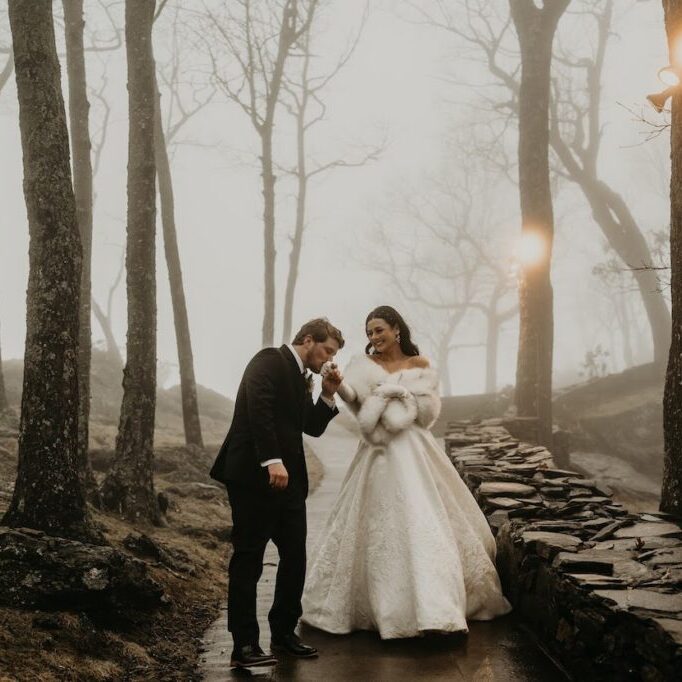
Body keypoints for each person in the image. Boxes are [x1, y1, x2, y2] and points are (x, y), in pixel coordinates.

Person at [301, 306, 511, 639]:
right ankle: (386, 607)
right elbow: (355, 402)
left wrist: (398, 398)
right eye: (370, 332)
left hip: (414, 448)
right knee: (379, 524)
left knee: (424, 517)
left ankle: (437, 607)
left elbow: (426, 415)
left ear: (396, 329)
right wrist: (339, 386)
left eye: (380, 330)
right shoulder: (363, 365)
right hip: (378, 451)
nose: (374, 337)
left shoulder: (421, 366)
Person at [210, 318, 344, 668]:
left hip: (290, 484)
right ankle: (244, 645)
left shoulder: (303, 378)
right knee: (249, 558)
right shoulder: (268, 360)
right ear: (309, 340)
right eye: (327, 350)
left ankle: (284, 633)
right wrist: (272, 460)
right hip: (254, 477)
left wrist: (327, 393)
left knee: (295, 557)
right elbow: (259, 411)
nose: (329, 359)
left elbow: (310, 427)